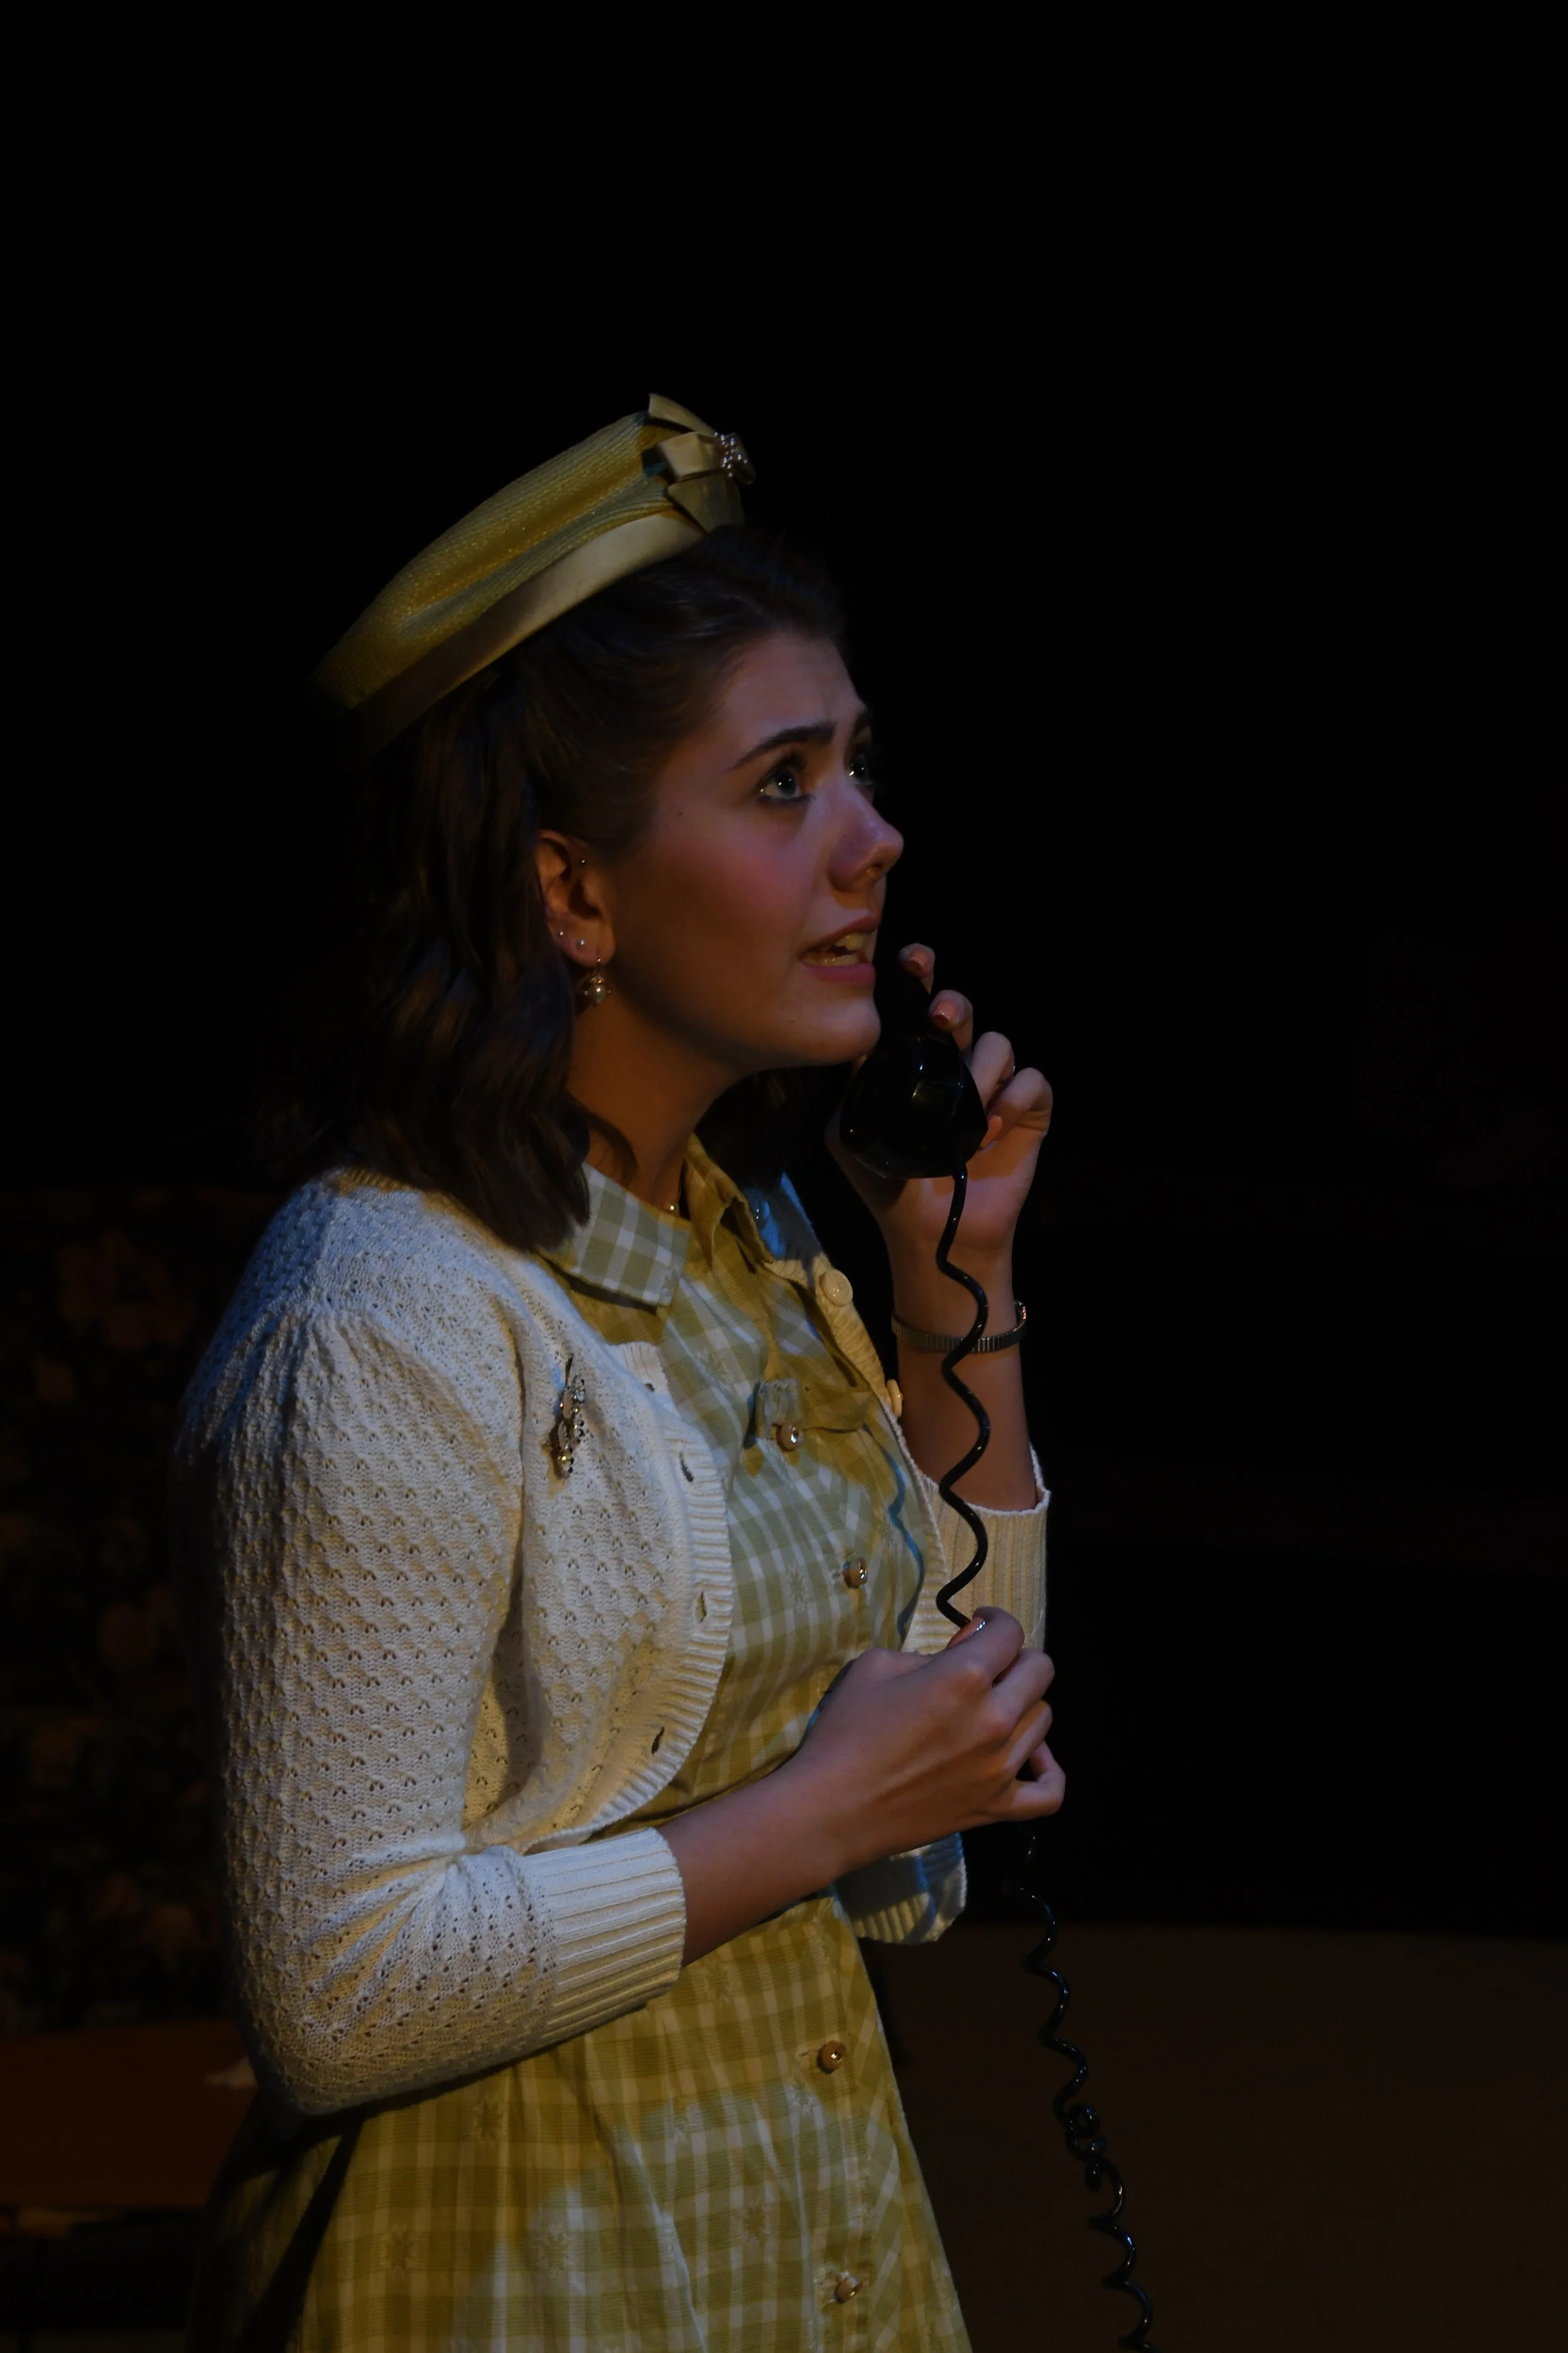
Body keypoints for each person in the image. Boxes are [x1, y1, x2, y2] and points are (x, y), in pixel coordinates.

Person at [174, 395, 1062, 2350]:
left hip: (801, 2228)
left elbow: (923, 1845)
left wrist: (957, 1298)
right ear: (569, 890)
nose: (872, 839)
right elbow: (334, 1993)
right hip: (521, 2266)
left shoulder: (755, 1247)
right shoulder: (387, 1310)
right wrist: (813, 1814)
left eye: (857, 766)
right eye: (781, 783)